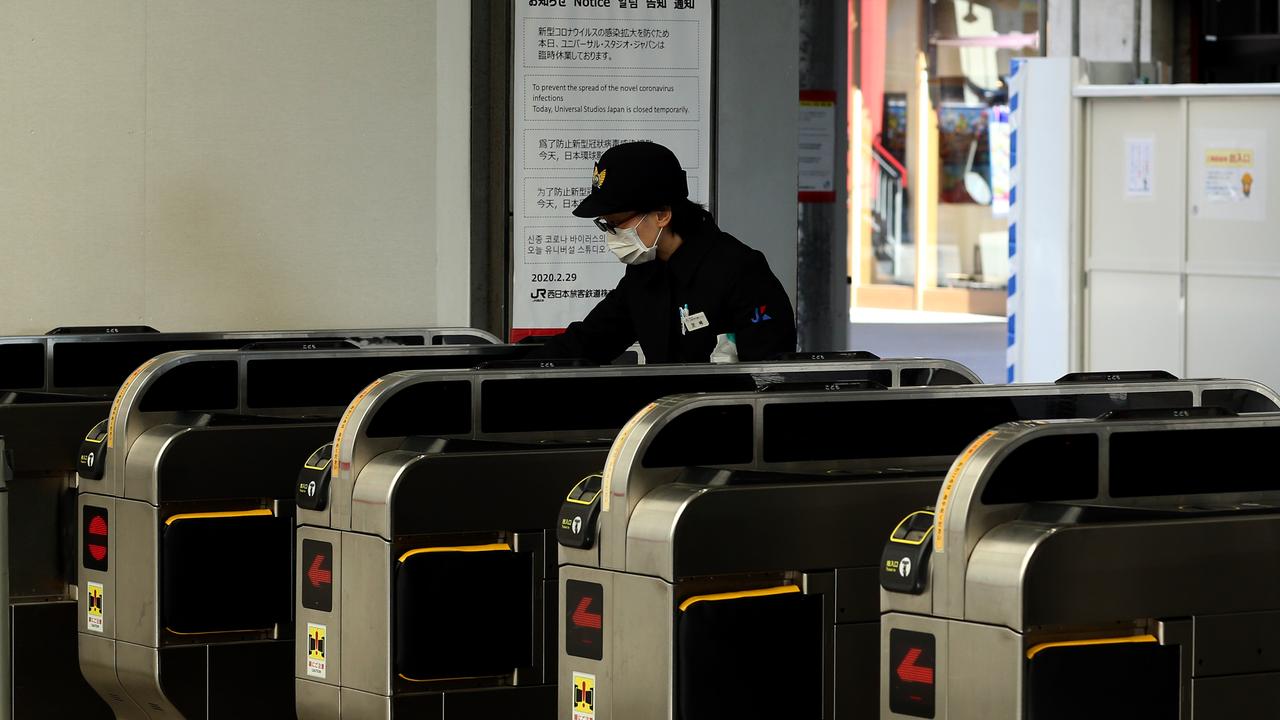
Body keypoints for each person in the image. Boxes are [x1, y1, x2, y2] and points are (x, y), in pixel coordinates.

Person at [533, 141, 796, 364]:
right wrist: (510, 366)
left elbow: (769, 372)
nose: (611, 234)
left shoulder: (739, 271)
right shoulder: (645, 273)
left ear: (662, 214)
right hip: (666, 418)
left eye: (617, 223)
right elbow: (592, 339)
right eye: (605, 224)